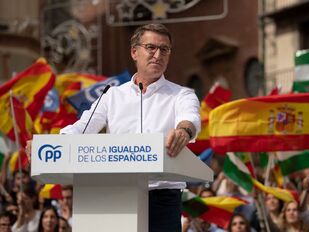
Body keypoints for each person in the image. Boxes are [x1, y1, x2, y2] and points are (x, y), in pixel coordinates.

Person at [27, 23, 200, 232]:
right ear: (134, 52)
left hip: (162, 197)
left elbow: (189, 118)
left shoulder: (181, 94)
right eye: (151, 47)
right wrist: (45, 146)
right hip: (118, 196)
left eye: (164, 49)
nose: (158, 54)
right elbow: (82, 129)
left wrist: (183, 131)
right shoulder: (112, 95)